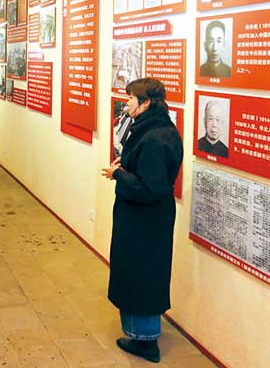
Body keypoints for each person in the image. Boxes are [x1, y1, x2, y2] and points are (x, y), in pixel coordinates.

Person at [101, 78, 183, 364]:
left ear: (146, 102)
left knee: (141, 275)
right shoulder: (155, 128)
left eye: (131, 98)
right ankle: (141, 333)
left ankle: (145, 341)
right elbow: (147, 172)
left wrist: (117, 174)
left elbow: (149, 188)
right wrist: (124, 167)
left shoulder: (156, 137)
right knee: (140, 273)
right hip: (145, 219)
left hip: (145, 221)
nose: (127, 103)